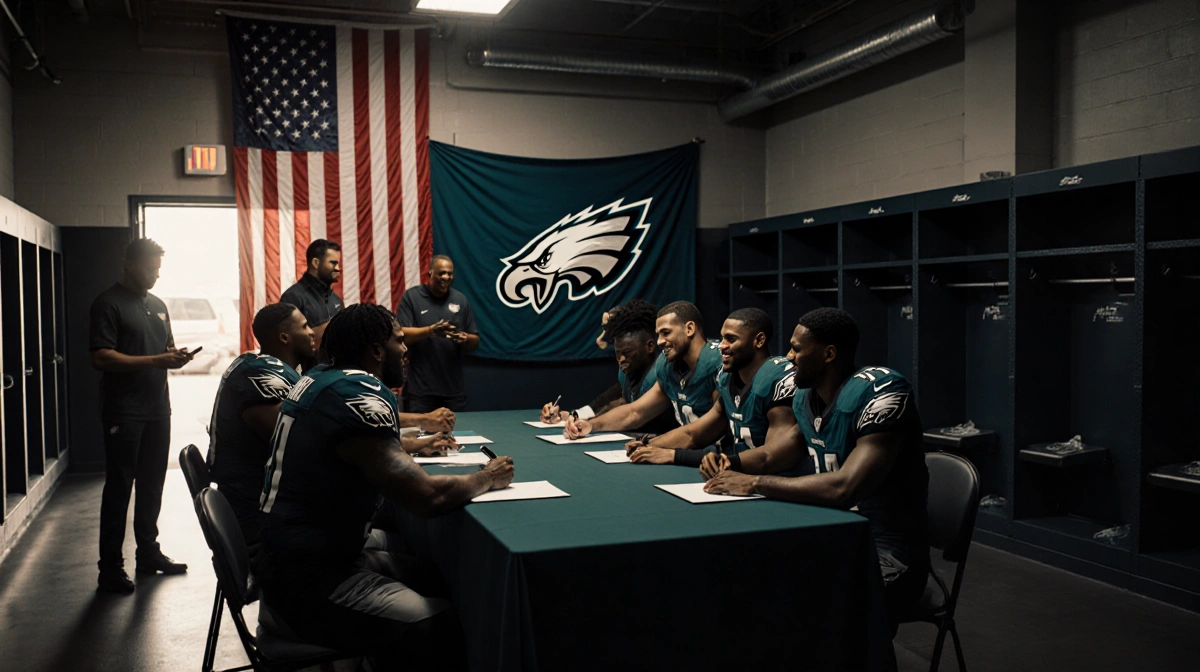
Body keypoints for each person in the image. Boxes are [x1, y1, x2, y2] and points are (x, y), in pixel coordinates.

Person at [257, 303, 513, 671]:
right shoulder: (357, 393)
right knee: (436, 624)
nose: (406, 348)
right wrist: (487, 477)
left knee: (434, 575)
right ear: (377, 351)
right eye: (398, 341)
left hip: (299, 557)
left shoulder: (322, 379)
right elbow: (427, 497)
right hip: (307, 581)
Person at [702, 308, 929, 632]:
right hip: (831, 531)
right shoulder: (807, 398)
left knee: (809, 602)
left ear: (829, 354)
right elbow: (774, 456)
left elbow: (845, 487)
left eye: (797, 349)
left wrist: (754, 483)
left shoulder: (882, 392)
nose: (789, 357)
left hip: (888, 550)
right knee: (750, 574)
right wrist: (729, 463)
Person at [89, 238, 195, 594]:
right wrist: (157, 360)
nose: (156, 274)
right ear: (130, 264)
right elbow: (101, 357)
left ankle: (148, 554)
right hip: (125, 411)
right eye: (151, 268)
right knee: (120, 488)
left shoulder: (159, 305)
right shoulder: (108, 303)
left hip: (156, 410)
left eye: (159, 268)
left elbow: (164, 349)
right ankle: (110, 568)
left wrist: (175, 356)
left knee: (152, 485)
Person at [625, 307, 798, 467]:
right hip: (738, 470)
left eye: (731, 339)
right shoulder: (727, 377)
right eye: (722, 338)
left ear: (759, 340)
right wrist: (647, 445)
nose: (722, 345)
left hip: (776, 483)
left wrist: (676, 456)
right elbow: (694, 434)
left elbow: (771, 458)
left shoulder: (778, 380)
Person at [207, 303, 314, 548]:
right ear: (285, 337)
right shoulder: (259, 374)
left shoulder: (261, 363)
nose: (311, 332)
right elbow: (293, 444)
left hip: (259, 501)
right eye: (305, 326)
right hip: (257, 516)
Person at [564, 301, 721, 440]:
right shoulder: (667, 365)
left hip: (719, 456)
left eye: (666, 333)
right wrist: (590, 425)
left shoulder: (717, 362)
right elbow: (635, 412)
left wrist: (654, 446)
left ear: (689, 329)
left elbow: (713, 428)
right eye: (658, 334)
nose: (660, 341)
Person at [541, 300, 677, 435]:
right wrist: (570, 417)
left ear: (650, 346)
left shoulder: (665, 370)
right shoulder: (627, 374)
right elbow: (611, 404)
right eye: (618, 353)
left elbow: (634, 414)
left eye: (627, 353)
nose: (621, 359)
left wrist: (591, 425)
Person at [395, 255, 479, 413]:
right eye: (442, 273)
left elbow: (475, 340)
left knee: (457, 437)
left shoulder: (460, 300)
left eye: (450, 273)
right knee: (420, 435)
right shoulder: (412, 298)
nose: (446, 277)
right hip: (421, 392)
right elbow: (401, 334)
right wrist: (430, 331)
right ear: (430, 274)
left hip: (453, 392)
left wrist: (465, 338)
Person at [279, 238, 343, 363]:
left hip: (334, 373)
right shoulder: (292, 297)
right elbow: (286, 342)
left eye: (338, 264)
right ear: (315, 262)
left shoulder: (336, 300)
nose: (338, 268)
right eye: (333, 263)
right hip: (304, 376)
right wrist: (332, 327)